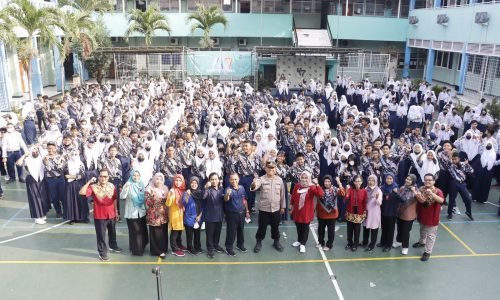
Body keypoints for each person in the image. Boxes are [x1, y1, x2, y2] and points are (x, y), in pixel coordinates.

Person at [79, 169, 122, 262]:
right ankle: (102, 253)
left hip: (111, 214)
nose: (103, 178)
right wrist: (89, 182)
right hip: (100, 215)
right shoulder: (93, 187)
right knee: (101, 235)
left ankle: (113, 245)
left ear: (108, 177)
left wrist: (116, 211)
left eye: (105, 176)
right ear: (98, 177)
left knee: (113, 232)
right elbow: (81, 192)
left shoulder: (112, 186)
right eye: (101, 176)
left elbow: (114, 199)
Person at [251, 160, 286, 253]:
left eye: (273, 167)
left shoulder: (279, 180)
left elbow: (282, 195)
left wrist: (283, 207)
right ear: (265, 168)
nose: (271, 169)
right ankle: (258, 242)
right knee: (262, 228)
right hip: (264, 209)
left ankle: (276, 241)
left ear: (275, 169)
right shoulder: (261, 179)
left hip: (276, 209)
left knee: (275, 227)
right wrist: (254, 183)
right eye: (269, 167)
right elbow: (254, 187)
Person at [290, 171, 323, 253]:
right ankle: (299, 240)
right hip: (297, 211)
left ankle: (303, 244)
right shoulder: (297, 185)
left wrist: (316, 184)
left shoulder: (311, 187)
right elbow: (293, 196)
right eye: (303, 177)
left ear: (309, 178)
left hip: (307, 212)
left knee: (305, 228)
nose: (304, 179)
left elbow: (320, 194)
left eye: (306, 177)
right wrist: (291, 206)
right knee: (298, 226)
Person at [413, 173, 445, 262]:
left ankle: (427, 251)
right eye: (426, 179)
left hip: (432, 217)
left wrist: (432, 194)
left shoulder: (438, 191)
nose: (427, 181)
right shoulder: (421, 189)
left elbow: (441, 200)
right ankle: (422, 242)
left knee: (431, 235)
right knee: (422, 230)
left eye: (430, 180)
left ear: (434, 181)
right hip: (422, 215)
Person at [16, 147, 49, 225]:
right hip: (31, 180)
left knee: (42, 197)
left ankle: (42, 214)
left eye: (37, 151)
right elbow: (18, 163)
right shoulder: (27, 160)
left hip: (41, 180)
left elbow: (47, 163)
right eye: (33, 152)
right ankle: (37, 217)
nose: (35, 153)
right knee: (34, 199)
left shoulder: (41, 158)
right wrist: (24, 155)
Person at [121, 169, 148, 256]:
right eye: (134, 175)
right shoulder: (128, 184)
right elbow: (122, 196)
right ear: (131, 176)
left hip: (141, 212)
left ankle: (142, 246)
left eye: (137, 175)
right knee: (135, 232)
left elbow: (144, 198)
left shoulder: (141, 184)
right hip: (132, 213)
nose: (136, 177)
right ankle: (137, 250)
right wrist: (126, 188)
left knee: (142, 231)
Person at [336, 175, 367, 252]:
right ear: (353, 182)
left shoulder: (364, 191)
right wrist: (346, 190)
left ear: (362, 182)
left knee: (357, 230)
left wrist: (364, 212)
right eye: (356, 181)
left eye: (359, 181)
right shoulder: (350, 189)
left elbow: (365, 203)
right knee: (349, 230)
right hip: (350, 212)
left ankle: (355, 244)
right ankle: (350, 242)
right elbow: (346, 197)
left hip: (359, 213)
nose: (357, 183)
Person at [224, 173, 250, 256]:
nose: (234, 181)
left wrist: (247, 211)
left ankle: (240, 245)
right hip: (232, 214)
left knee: (240, 230)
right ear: (229, 180)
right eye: (232, 179)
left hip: (241, 213)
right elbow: (226, 199)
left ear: (239, 179)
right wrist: (227, 194)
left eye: (236, 179)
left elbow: (244, 200)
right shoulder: (228, 189)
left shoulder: (242, 188)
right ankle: (229, 248)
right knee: (231, 232)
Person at [145, 173, 169, 258]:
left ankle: (163, 248)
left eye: (161, 179)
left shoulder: (165, 188)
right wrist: (151, 197)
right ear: (154, 179)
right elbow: (147, 203)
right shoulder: (149, 189)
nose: (159, 181)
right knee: (155, 233)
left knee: (163, 232)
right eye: (157, 179)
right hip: (154, 215)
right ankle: (156, 251)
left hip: (163, 215)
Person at [393, 174, 418, 255]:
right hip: (400, 212)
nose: (407, 181)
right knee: (399, 229)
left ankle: (405, 247)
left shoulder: (414, 190)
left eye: (410, 180)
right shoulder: (403, 187)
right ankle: (399, 241)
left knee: (406, 231)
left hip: (408, 215)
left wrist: (397, 193)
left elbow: (405, 200)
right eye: (407, 179)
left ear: (413, 181)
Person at [202, 173, 225, 259]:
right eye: (212, 179)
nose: (214, 181)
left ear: (218, 180)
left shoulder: (221, 189)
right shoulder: (208, 190)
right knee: (210, 234)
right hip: (210, 216)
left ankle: (216, 245)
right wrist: (205, 187)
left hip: (219, 215)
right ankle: (210, 248)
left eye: (216, 179)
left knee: (217, 232)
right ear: (209, 180)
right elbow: (203, 197)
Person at [447, 152, 474, 221]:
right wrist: (451, 156)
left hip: (462, 184)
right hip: (453, 183)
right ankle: (450, 213)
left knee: (467, 198)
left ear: (459, 159)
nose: (453, 161)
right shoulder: (450, 164)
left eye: (455, 159)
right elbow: (449, 162)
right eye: (452, 159)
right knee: (452, 199)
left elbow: (471, 171)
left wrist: (467, 164)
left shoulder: (463, 164)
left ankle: (468, 212)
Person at [63, 150, 88, 223]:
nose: (74, 155)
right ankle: (71, 217)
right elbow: (65, 175)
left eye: (75, 154)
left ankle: (82, 217)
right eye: (72, 154)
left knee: (80, 200)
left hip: (79, 185)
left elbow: (82, 175)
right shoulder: (67, 164)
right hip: (69, 185)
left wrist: (72, 176)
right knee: (70, 201)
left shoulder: (81, 164)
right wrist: (75, 176)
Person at [43, 142, 67, 220]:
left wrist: (58, 161)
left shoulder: (60, 157)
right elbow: (48, 169)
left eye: (52, 148)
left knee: (63, 196)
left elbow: (61, 168)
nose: (50, 150)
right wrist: (46, 162)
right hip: (50, 180)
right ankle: (58, 212)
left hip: (60, 178)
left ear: (55, 149)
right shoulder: (44, 158)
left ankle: (66, 211)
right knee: (54, 197)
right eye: (49, 148)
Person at [315, 175, 339, 251]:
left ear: (331, 182)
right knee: (320, 230)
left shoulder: (335, 189)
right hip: (322, 214)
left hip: (332, 215)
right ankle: (321, 242)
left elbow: (343, 193)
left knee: (331, 231)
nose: (327, 183)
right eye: (325, 181)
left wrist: (339, 182)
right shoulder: (320, 188)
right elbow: (320, 194)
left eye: (329, 181)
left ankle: (329, 245)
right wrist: (316, 184)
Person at [165, 174, 187, 257]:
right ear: (173, 181)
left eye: (180, 180)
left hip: (181, 214)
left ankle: (179, 244)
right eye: (176, 180)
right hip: (174, 214)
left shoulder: (182, 190)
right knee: (174, 232)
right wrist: (170, 195)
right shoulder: (172, 190)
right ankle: (174, 249)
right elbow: (168, 204)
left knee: (180, 231)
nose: (178, 182)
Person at [182, 176, 204, 255]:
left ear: (198, 184)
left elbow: (203, 206)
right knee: (189, 234)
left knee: (197, 233)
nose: (194, 184)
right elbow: (184, 203)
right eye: (192, 183)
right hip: (189, 217)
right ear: (190, 183)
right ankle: (190, 248)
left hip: (198, 217)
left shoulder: (200, 193)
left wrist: (199, 216)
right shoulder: (186, 192)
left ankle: (197, 246)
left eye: (195, 183)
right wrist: (188, 195)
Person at [379, 173, 400, 252]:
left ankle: (388, 245)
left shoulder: (396, 188)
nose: (389, 180)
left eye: (391, 178)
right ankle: (383, 242)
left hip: (392, 212)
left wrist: (397, 192)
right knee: (384, 228)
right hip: (383, 211)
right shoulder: (382, 187)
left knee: (390, 230)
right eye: (387, 178)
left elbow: (402, 199)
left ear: (393, 179)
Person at [362, 175, 382, 251]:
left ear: (376, 181)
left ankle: (372, 245)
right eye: (369, 180)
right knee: (365, 228)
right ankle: (365, 242)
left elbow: (379, 203)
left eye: (373, 180)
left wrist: (377, 199)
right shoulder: (365, 189)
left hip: (374, 212)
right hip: (366, 211)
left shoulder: (378, 190)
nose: (371, 182)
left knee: (374, 229)